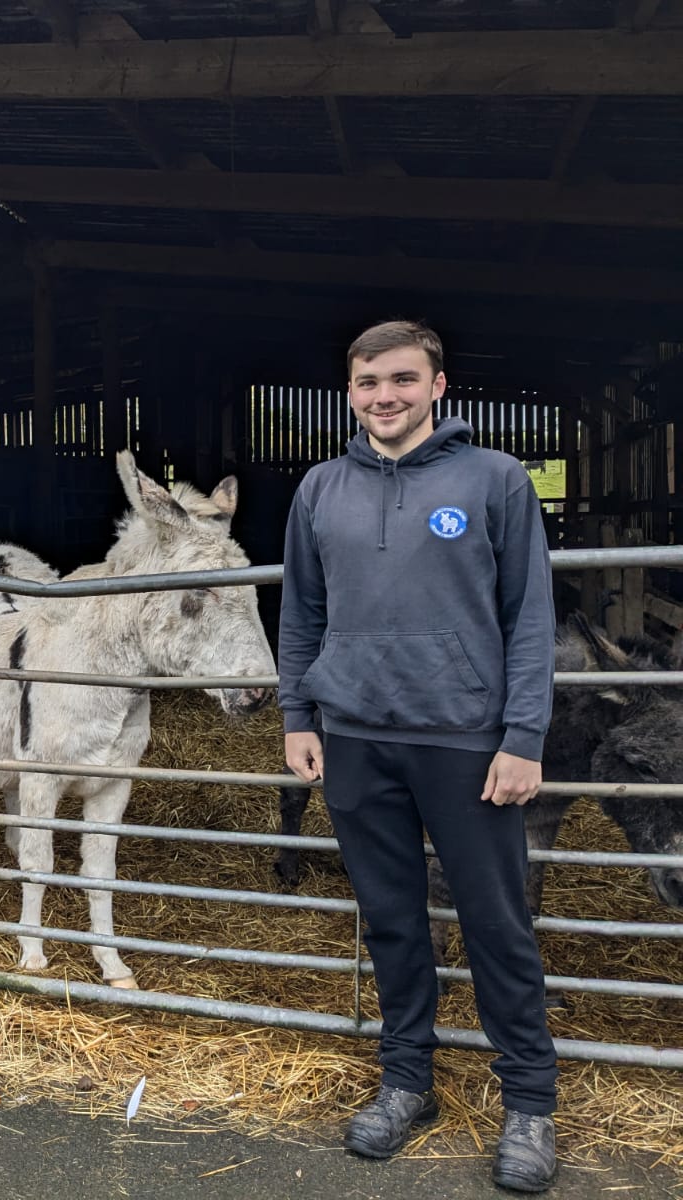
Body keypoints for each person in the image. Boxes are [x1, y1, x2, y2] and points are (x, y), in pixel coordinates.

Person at [278, 321, 559, 1193]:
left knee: (494, 920)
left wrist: (522, 737)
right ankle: (407, 1082)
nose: (383, 395)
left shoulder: (494, 479)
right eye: (367, 382)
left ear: (440, 385)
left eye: (402, 378)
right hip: (357, 735)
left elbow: (529, 617)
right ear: (350, 391)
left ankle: (530, 1100)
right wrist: (300, 714)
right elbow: (300, 614)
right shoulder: (320, 489)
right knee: (391, 917)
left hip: (464, 740)